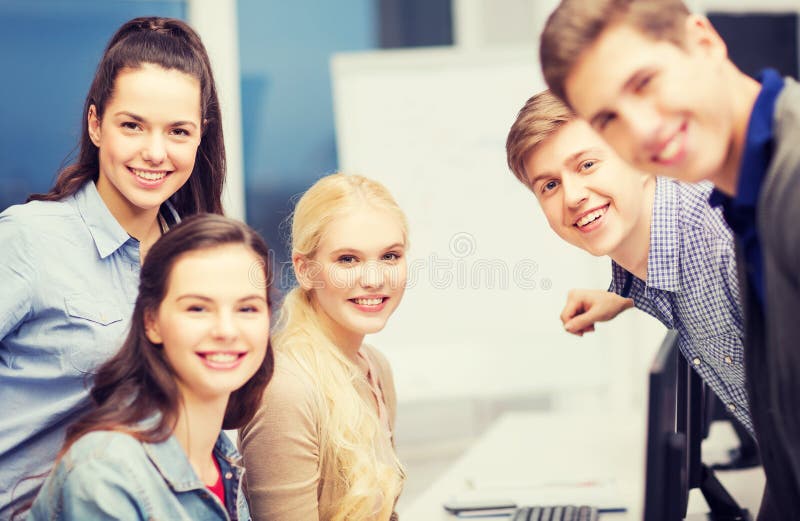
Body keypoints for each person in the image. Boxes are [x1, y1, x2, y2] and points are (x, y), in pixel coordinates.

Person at [539, 0, 800, 516]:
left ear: (703, 41)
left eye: (644, 82)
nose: (640, 128)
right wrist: (625, 293)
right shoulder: (748, 207)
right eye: (608, 117)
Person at [0, 17, 226, 515]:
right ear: (96, 124)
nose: (155, 152)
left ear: (199, 137)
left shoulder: (198, 260)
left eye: (178, 131)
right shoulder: (29, 239)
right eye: (132, 125)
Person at [505, 90, 751, 434]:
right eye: (549, 185)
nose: (572, 196)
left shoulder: (724, 243)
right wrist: (624, 296)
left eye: (587, 164)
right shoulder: (665, 255)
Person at [26, 214, 273, 521]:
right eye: (197, 308)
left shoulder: (222, 459)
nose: (226, 330)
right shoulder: (106, 473)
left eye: (247, 308)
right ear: (151, 321)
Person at [239, 173, 407, 521]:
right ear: (305, 270)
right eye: (348, 259)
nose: (374, 279)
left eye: (390, 256)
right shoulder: (285, 390)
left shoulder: (375, 367)